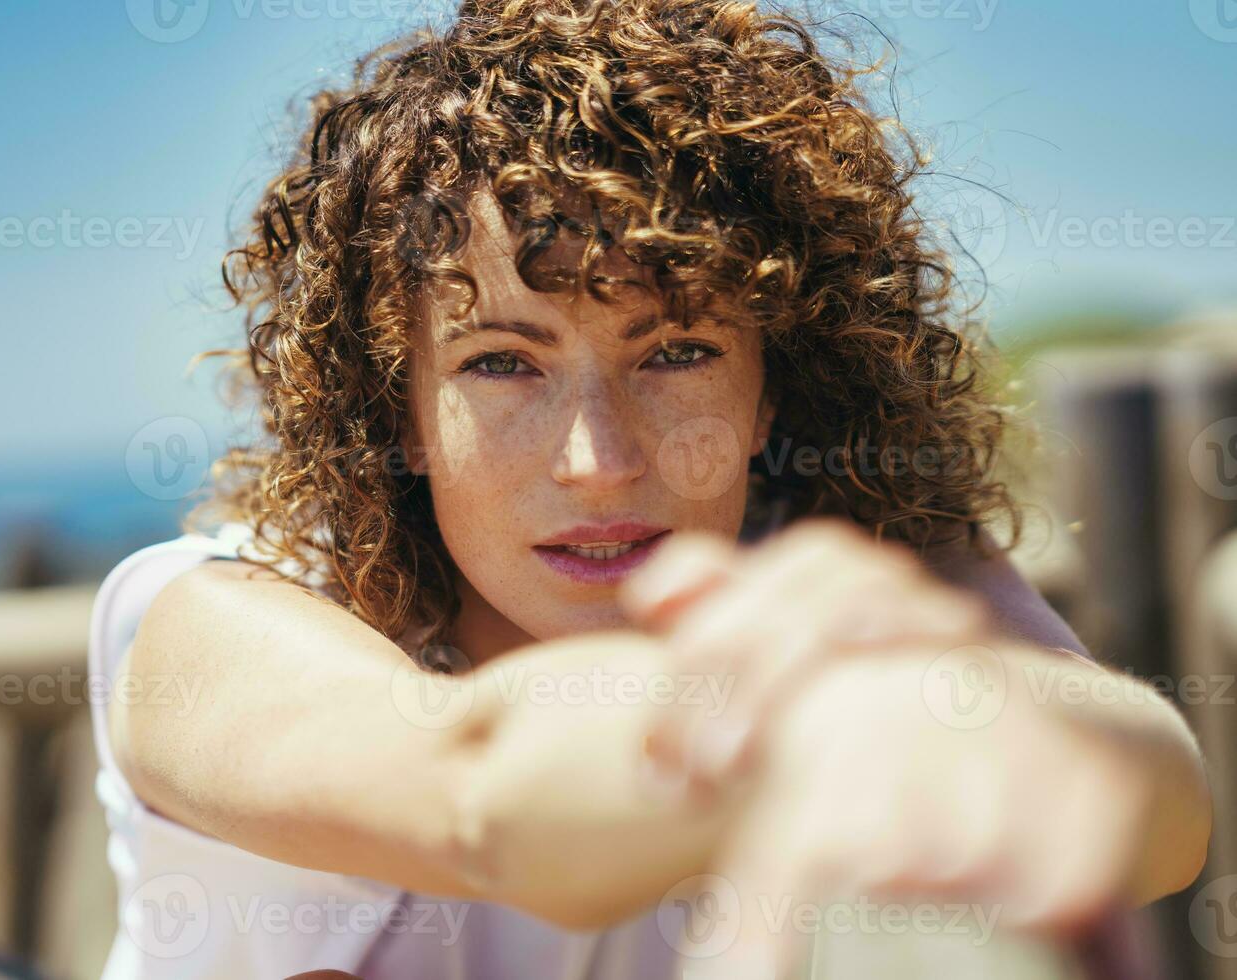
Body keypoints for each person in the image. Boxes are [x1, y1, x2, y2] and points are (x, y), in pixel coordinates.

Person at [88, 1, 1213, 976]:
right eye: (500, 363)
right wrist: (816, 720)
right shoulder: (199, 623)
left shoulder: (843, 567)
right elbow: (473, 786)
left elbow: (1165, 811)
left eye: (675, 352)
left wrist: (954, 706)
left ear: (779, 384)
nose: (599, 459)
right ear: (401, 412)